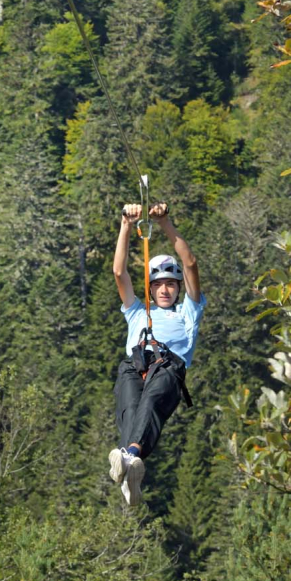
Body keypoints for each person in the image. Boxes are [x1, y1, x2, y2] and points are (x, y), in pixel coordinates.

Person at [110, 201, 206, 505]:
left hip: (168, 370)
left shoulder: (188, 313)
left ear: (178, 289)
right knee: (129, 410)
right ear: (150, 289)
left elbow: (189, 264)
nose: (165, 290)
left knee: (150, 402)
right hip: (134, 365)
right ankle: (130, 468)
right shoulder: (137, 312)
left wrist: (164, 223)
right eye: (159, 285)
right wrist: (126, 225)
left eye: (170, 285)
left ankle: (132, 455)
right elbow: (118, 271)